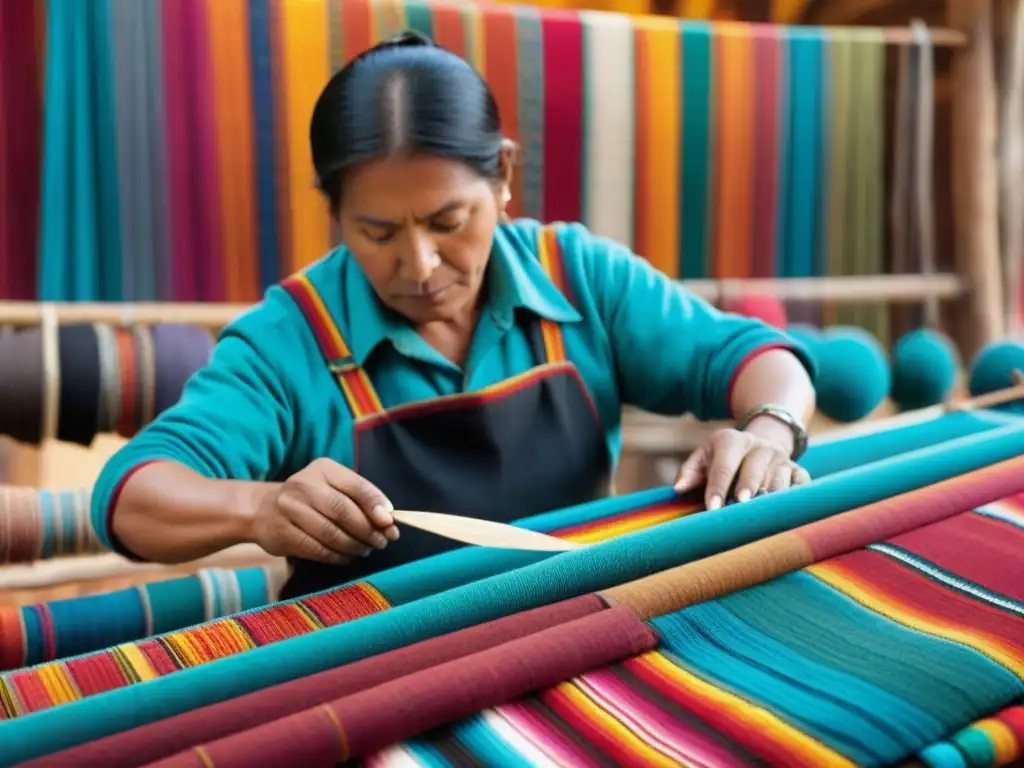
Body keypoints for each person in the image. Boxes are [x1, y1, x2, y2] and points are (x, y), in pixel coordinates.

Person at [92, 32, 816, 601]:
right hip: (372, 674)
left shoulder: (579, 278)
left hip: (575, 629)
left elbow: (756, 358)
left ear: (503, 175)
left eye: (447, 221)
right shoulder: (292, 340)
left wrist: (769, 429)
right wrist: (261, 507)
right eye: (378, 233)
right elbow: (132, 496)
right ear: (335, 214)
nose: (422, 265)